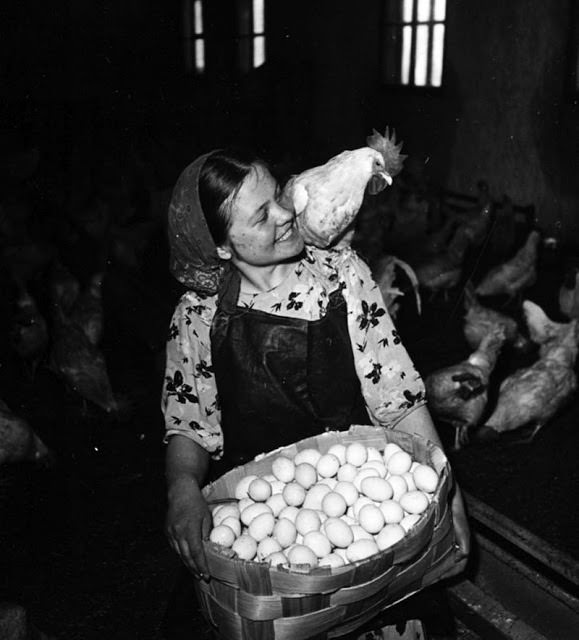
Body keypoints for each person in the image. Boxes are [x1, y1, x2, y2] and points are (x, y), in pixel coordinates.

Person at [161, 148, 470, 637]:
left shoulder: (340, 278)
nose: (287, 214)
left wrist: (447, 500)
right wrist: (182, 488)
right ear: (222, 246)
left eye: (278, 196)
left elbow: (397, 397)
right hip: (265, 510)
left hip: (352, 495)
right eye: (262, 216)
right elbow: (190, 422)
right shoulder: (198, 315)